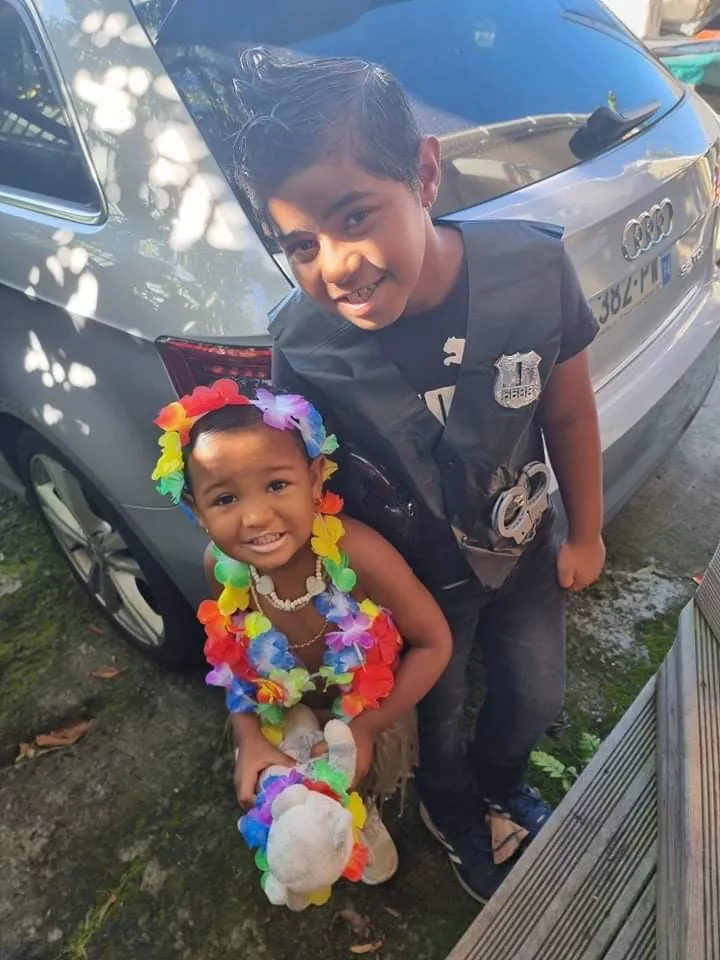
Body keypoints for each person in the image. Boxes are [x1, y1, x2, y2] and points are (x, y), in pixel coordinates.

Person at [230, 50, 606, 902]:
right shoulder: (304, 345)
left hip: (524, 555)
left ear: (425, 174)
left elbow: (568, 415)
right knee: (432, 715)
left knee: (534, 693)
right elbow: (303, 490)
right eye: (301, 244)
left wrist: (585, 531)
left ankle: (502, 780)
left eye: (357, 216)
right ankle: (452, 808)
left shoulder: (532, 273)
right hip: (410, 590)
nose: (337, 265)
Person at [151, 379, 452, 885]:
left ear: (314, 480)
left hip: (366, 710)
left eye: (276, 485)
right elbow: (231, 656)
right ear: (197, 511)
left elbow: (435, 643)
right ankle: (303, 816)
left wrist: (366, 729)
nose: (255, 517)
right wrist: (249, 736)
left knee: (357, 772)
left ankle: (357, 814)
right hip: (284, 707)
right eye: (225, 498)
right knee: (285, 786)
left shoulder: (358, 555)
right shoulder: (223, 568)